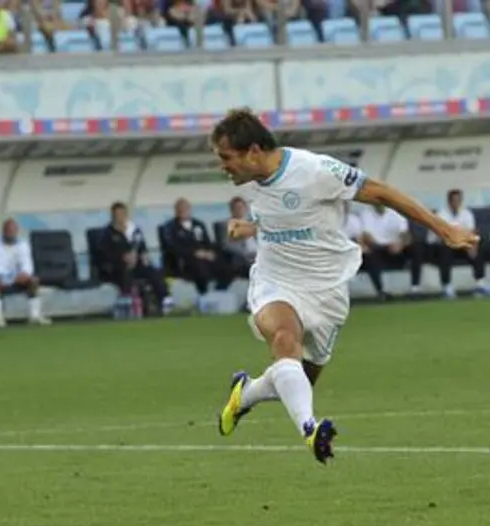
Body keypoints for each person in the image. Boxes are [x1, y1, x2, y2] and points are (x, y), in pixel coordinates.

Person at [210, 108, 478, 464]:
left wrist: (444, 229)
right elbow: (282, 214)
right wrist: (250, 226)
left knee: (299, 376)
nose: (222, 167)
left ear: (253, 151)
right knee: (284, 341)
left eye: (226, 158)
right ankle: (310, 429)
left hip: (327, 287)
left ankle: (244, 396)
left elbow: (380, 192)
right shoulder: (254, 183)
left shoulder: (314, 170)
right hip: (276, 281)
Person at [99, 202, 173, 315]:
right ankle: (127, 302)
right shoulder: (107, 233)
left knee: (153, 271)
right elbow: (104, 253)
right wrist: (122, 257)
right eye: (117, 214)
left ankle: (164, 298)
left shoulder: (135, 230)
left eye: (122, 214)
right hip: (117, 266)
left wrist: (143, 255)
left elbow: (142, 248)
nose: (120, 217)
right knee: (125, 271)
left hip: (137, 264)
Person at [0, 218, 51, 327]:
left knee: (33, 280)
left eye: (13, 231)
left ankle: (34, 316)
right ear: (3, 231)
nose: (10, 233)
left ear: (17, 231)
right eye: (8, 231)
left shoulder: (23, 244)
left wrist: (24, 274)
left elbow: (27, 264)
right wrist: (10, 279)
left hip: (15, 277)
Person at [426, 189, 489, 298]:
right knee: (445, 248)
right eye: (455, 200)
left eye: (459, 200)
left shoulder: (466, 213)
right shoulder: (441, 214)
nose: (457, 203)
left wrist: (472, 245)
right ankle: (447, 286)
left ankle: (480, 284)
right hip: (442, 246)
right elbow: (439, 236)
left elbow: (471, 232)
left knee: (478, 245)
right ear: (449, 201)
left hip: (462, 246)